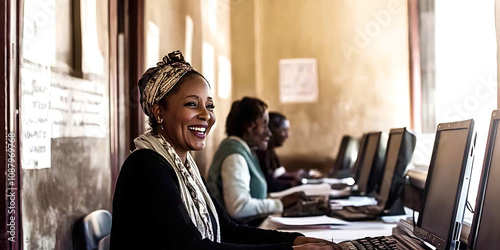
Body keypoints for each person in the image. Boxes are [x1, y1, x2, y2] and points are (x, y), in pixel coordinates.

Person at [110, 50, 338, 250]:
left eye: (209, 106)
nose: (206, 115)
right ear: (159, 112)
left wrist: (295, 241)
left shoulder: (184, 166)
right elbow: (191, 247)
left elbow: (227, 228)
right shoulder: (147, 167)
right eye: (192, 104)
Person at [207, 98, 307, 225]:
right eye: (264, 125)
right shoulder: (235, 157)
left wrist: (280, 200)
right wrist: (279, 203)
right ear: (250, 127)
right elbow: (239, 208)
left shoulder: (244, 150)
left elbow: (253, 197)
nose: (269, 133)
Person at [256, 112, 303, 192]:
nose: (287, 135)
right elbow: (268, 183)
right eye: (283, 131)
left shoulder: (270, 151)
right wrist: (291, 183)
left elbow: (276, 174)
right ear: (272, 131)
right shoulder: (262, 152)